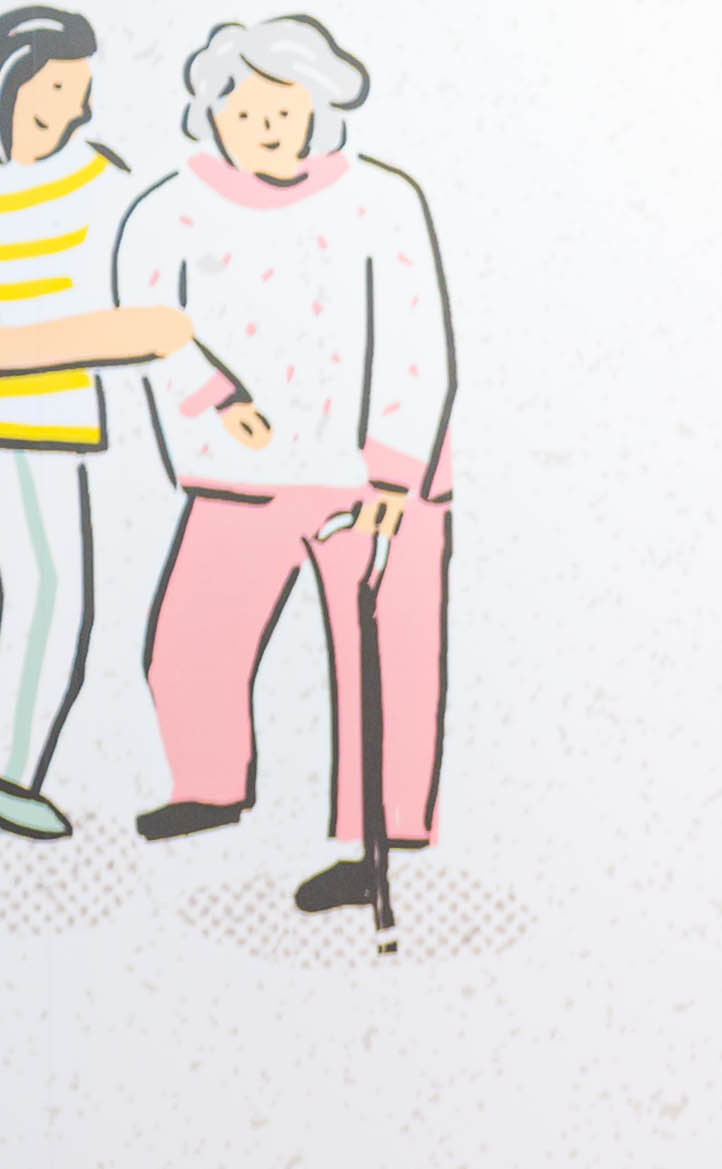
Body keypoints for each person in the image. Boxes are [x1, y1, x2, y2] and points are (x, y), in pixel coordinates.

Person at [111, 16, 451, 895]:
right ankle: (209, 784)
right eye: (247, 111)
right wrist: (214, 398)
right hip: (242, 472)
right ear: (212, 112)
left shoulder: (382, 199)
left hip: (374, 475)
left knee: (385, 656)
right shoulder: (168, 208)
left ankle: (377, 842)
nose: (267, 128)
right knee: (187, 642)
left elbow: (416, 341)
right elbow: (147, 324)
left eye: (286, 111)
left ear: (318, 114)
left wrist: (394, 471)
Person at [0, 9, 211, 843]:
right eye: (56, 88)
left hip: (43, 427)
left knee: (52, 595)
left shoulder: (103, 186)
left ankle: (13, 772)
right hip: (36, 418)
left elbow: (155, 319)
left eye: (80, 90)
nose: (74, 107)